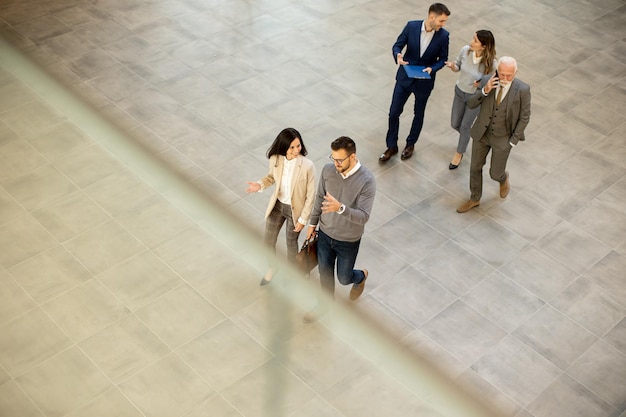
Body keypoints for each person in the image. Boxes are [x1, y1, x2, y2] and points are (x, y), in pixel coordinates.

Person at [304, 136, 376, 322]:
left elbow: (364, 216)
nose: (335, 163)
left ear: (353, 157)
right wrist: (312, 224)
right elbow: (320, 197)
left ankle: (360, 277)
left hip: (348, 240)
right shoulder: (328, 171)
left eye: (340, 160)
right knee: (325, 273)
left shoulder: (367, 181)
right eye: (333, 158)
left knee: (344, 278)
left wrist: (340, 208)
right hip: (325, 234)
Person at [457, 56, 531, 213]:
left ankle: (503, 178)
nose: (504, 78)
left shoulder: (523, 90)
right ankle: (474, 198)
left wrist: (512, 141)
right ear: (497, 71)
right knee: (475, 168)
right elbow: (471, 104)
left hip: (503, 138)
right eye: (501, 74)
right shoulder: (486, 81)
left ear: (515, 72)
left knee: (494, 173)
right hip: (481, 134)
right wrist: (485, 90)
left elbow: (525, 117)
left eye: (508, 75)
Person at [379, 3, 450, 162]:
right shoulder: (411, 26)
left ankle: (410, 144)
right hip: (405, 77)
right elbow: (398, 45)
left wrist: (433, 68)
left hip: (424, 82)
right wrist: (397, 55)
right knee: (394, 113)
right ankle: (392, 146)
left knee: (418, 114)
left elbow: (443, 59)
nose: (443, 25)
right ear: (432, 17)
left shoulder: (443, 36)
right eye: (441, 21)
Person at [245, 128, 316, 285]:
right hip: (278, 206)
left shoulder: (307, 166)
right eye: (292, 147)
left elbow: (311, 196)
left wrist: (303, 219)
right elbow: (271, 177)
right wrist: (259, 184)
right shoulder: (276, 159)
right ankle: (273, 267)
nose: (296, 150)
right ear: (284, 147)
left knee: (291, 243)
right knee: (268, 241)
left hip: (295, 210)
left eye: (298, 145)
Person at [444, 30, 496, 169]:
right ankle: (467, 138)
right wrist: (453, 67)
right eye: (473, 38)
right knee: (455, 124)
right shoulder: (465, 51)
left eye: (475, 41)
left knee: (465, 127)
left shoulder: (491, 63)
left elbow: (492, 82)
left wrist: (481, 84)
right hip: (460, 92)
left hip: (475, 98)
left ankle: (459, 153)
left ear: (484, 46)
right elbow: (458, 67)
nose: (471, 42)